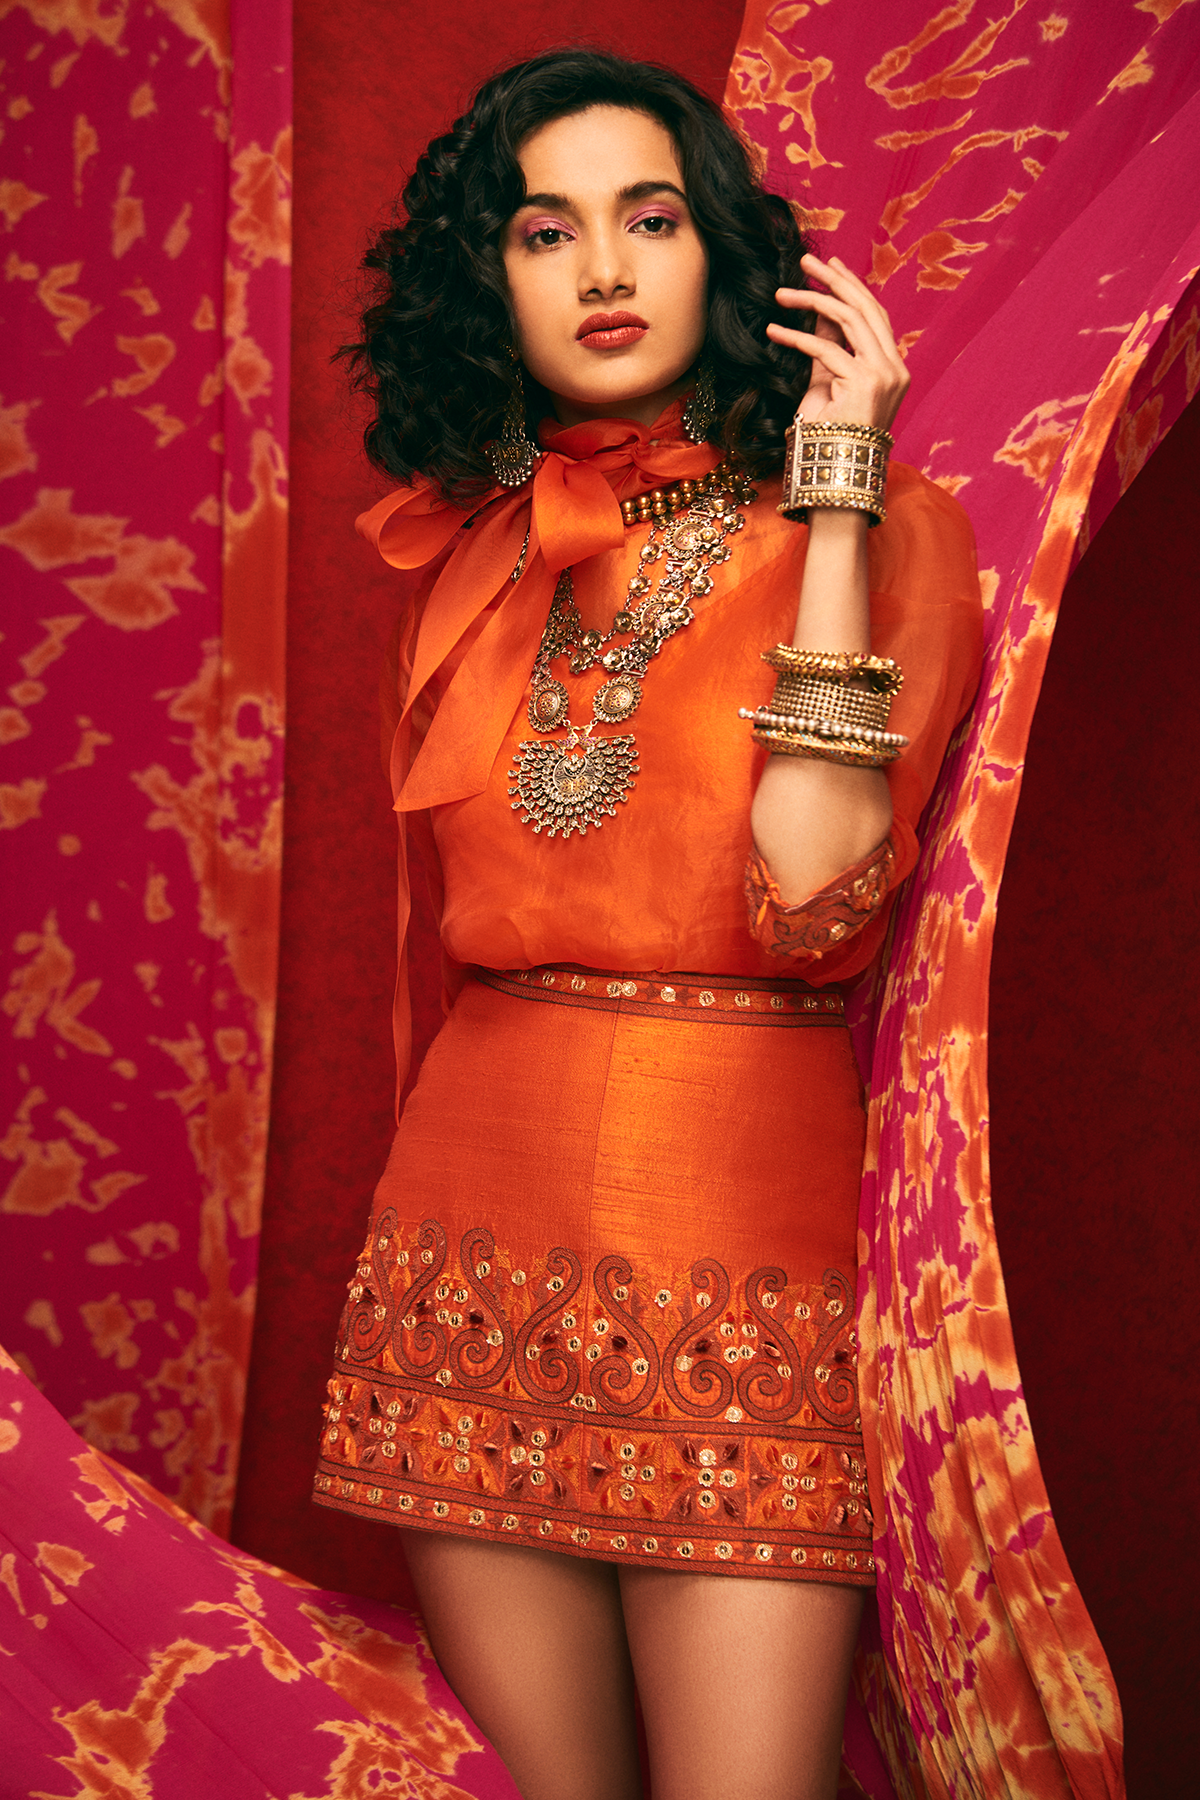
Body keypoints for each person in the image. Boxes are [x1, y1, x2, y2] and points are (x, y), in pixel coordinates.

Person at [313, 48, 982, 1800]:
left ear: (722, 253)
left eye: (651, 218)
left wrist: (835, 491)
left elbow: (817, 902)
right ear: (491, 280)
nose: (604, 268)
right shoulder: (477, 554)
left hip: (737, 1220)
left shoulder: (880, 531)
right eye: (547, 231)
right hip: (465, 1230)